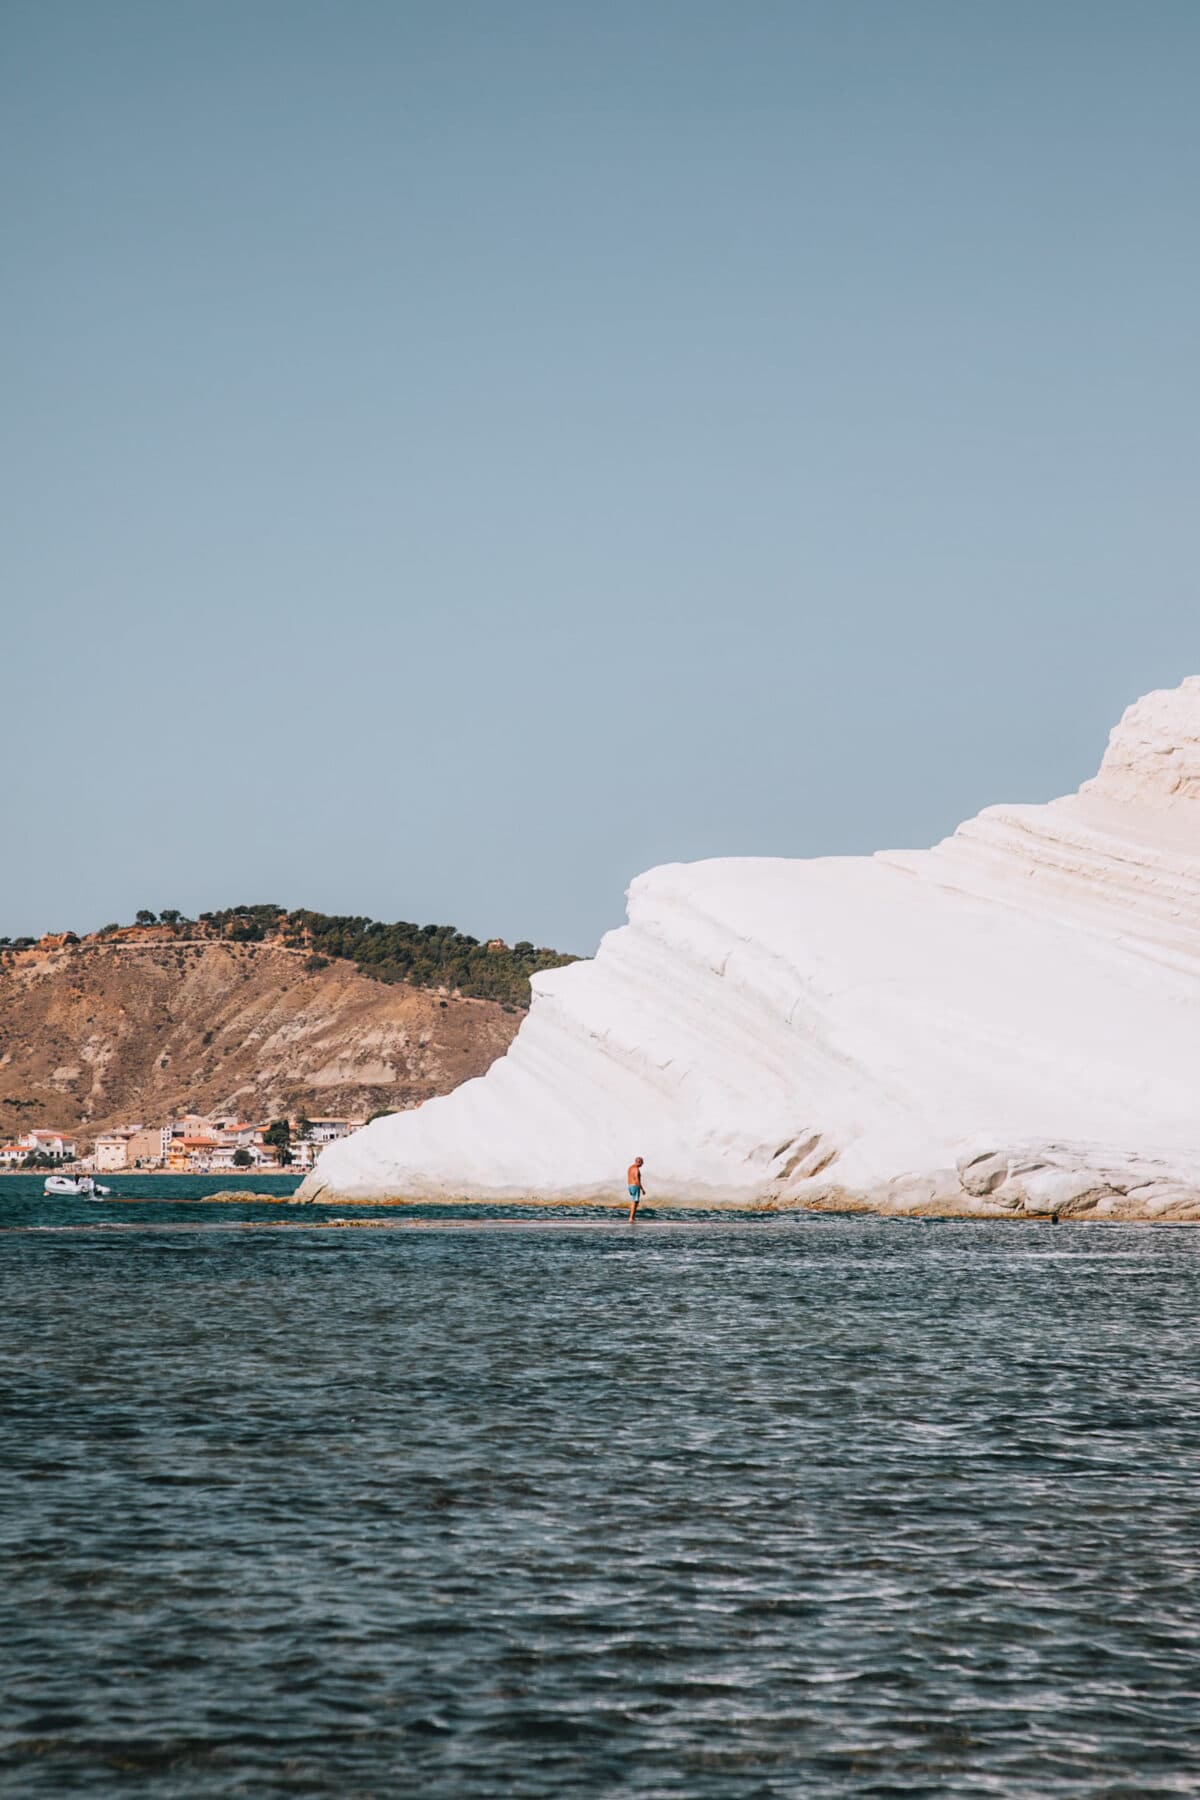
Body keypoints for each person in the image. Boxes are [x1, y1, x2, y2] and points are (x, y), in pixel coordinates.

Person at [627, 1157, 645, 1222]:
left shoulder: (630, 1167)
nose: (642, 1164)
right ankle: (631, 1218)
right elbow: (637, 1180)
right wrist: (642, 1189)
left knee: (634, 1201)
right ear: (639, 1162)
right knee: (635, 1202)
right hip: (635, 1186)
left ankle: (632, 1218)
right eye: (642, 1163)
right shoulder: (636, 1169)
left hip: (629, 1185)